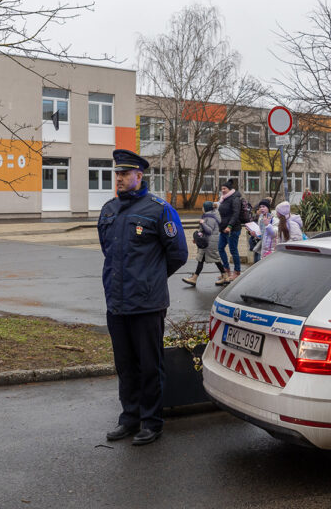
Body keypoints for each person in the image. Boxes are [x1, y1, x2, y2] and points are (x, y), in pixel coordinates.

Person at [98, 149, 188, 446]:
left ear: (139, 175)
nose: (119, 179)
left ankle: (152, 421)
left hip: (147, 304)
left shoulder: (159, 210)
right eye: (117, 174)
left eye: (125, 174)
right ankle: (130, 417)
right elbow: (108, 252)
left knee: (150, 365)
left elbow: (178, 254)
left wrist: (151, 278)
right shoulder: (109, 210)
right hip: (118, 303)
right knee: (125, 365)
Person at [182, 200, 224, 286]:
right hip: (207, 242)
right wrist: (197, 238)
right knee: (202, 259)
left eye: (203, 207)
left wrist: (203, 223)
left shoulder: (210, 218)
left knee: (214, 259)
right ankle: (194, 278)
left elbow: (208, 231)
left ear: (206, 208)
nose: (202, 208)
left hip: (209, 243)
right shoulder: (208, 216)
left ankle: (225, 276)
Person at [216, 179, 242, 285]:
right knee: (220, 248)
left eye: (224, 188)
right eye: (221, 188)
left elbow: (235, 214)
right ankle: (226, 270)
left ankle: (237, 271)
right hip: (223, 229)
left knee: (233, 250)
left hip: (232, 229)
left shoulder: (235, 198)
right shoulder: (224, 199)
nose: (222, 190)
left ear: (229, 189)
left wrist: (230, 226)